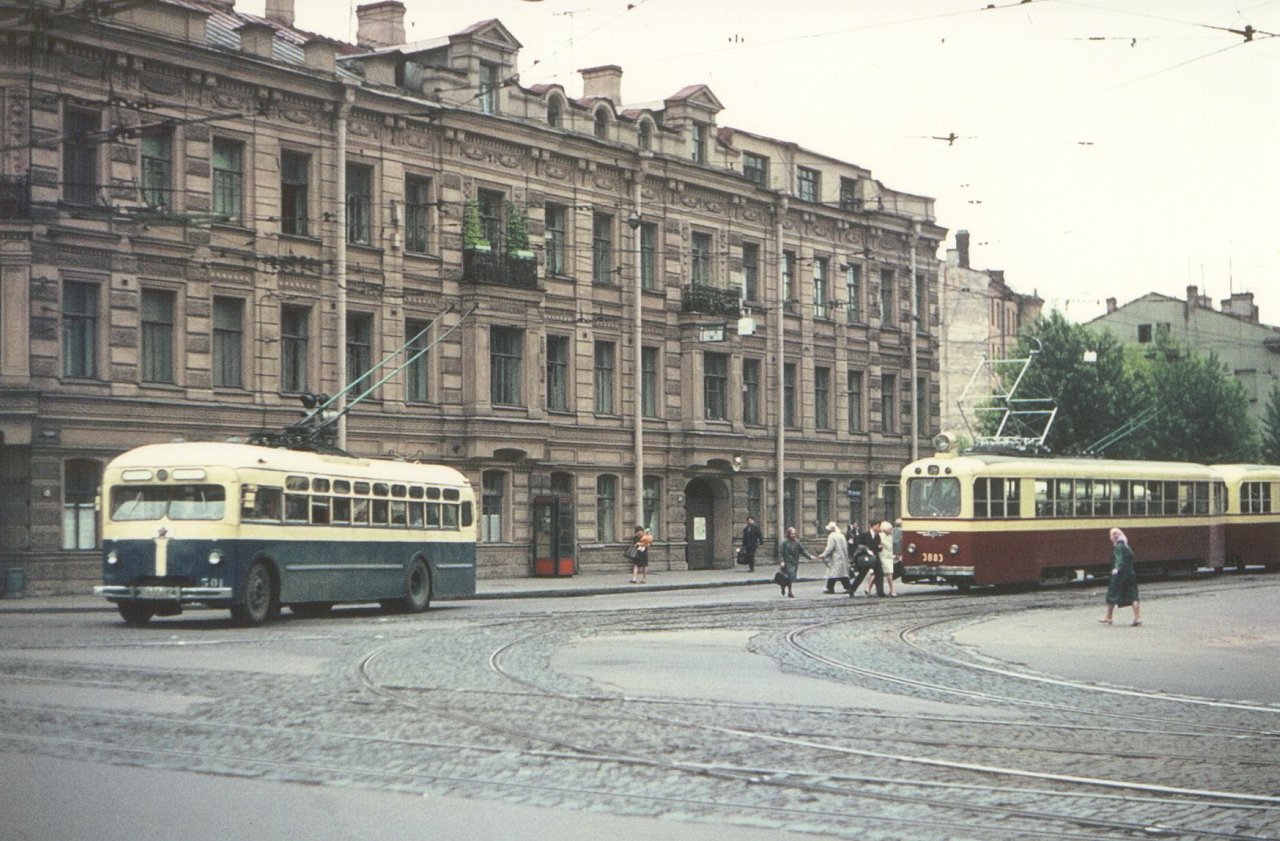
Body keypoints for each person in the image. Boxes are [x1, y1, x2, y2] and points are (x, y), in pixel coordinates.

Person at [1100, 527, 1141, 625]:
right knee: (1133, 595)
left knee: (1112, 594)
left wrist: (1116, 568)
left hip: (1120, 575)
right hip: (1130, 573)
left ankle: (1108, 617)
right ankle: (1138, 618)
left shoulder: (1118, 546)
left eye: (1111, 535)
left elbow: (1119, 558)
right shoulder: (1127, 546)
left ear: (1114, 537)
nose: (1110, 538)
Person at [817, 521, 852, 593]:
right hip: (842, 557)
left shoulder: (831, 536)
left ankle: (831, 588)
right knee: (841, 574)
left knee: (833, 573)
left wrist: (823, 555)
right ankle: (846, 587)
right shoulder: (841, 535)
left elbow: (830, 548)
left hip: (835, 558)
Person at [849, 523, 882, 597]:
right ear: (873, 526)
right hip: (866, 557)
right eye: (878, 526)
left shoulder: (878, 536)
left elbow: (878, 548)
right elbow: (857, 543)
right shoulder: (864, 534)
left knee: (879, 573)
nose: (879, 528)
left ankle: (880, 592)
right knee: (862, 574)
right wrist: (865, 549)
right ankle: (851, 589)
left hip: (875, 557)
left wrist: (880, 547)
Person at [777, 526, 812, 598]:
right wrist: (782, 561)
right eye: (792, 534)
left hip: (794, 562)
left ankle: (787, 589)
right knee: (788, 576)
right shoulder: (784, 542)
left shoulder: (797, 542)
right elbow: (780, 552)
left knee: (791, 577)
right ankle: (786, 589)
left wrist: (810, 557)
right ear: (788, 534)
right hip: (787, 562)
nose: (793, 535)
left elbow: (802, 551)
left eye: (794, 534)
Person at [878, 520, 898, 597]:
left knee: (879, 574)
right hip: (882, 556)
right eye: (889, 529)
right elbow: (877, 545)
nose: (891, 530)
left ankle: (868, 588)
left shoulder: (890, 537)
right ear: (885, 529)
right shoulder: (880, 536)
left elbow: (892, 547)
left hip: (889, 557)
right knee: (889, 573)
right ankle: (892, 590)